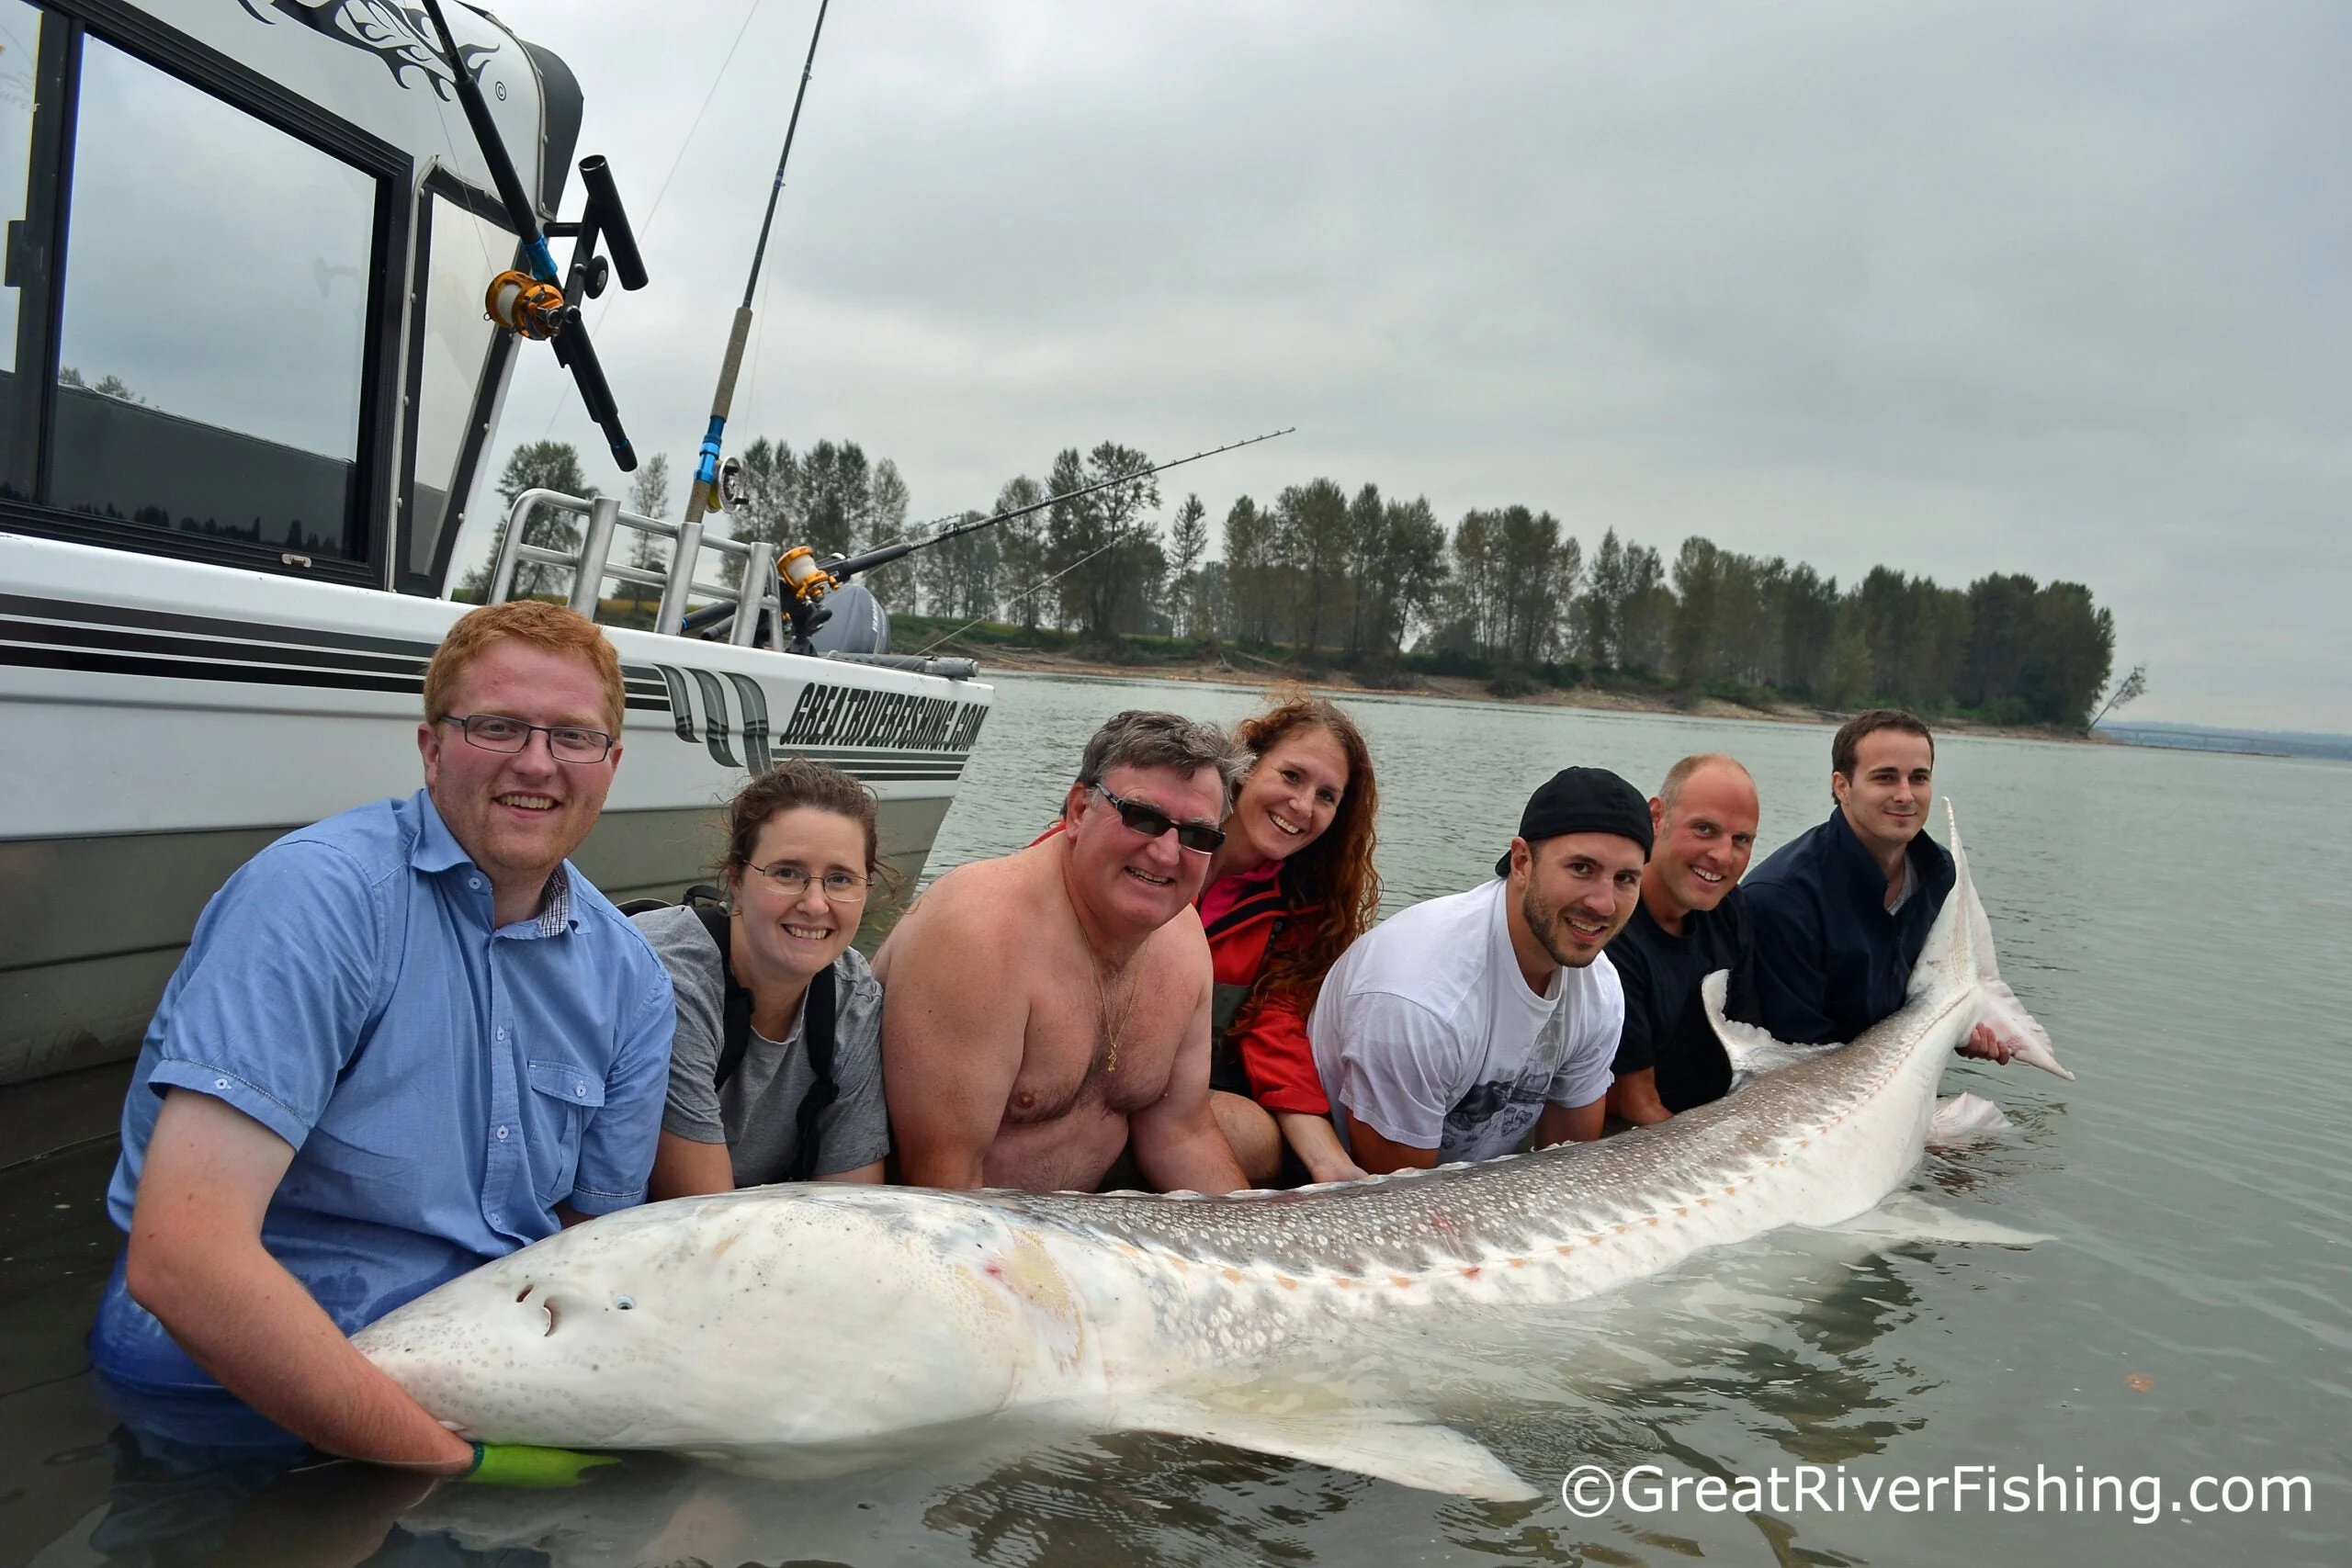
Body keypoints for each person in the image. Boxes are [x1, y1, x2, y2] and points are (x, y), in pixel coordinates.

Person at [88, 601, 672, 1478]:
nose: (537, 763)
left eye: (572, 737)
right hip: (229, 1412)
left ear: (611, 765)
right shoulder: (317, 904)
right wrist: (456, 1468)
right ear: (432, 746)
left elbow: (589, 1252)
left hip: (480, 1390)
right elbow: (183, 1262)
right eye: (498, 726)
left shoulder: (632, 980)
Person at [876, 710, 1250, 1196]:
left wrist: (1272, 1258)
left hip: (1077, 1227)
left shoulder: (1183, 936)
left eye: (1197, 836)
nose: (1165, 854)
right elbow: (942, 1185)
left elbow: (1181, 1133)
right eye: (1143, 819)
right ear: (1078, 811)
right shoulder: (978, 929)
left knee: (1253, 1136)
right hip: (951, 1229)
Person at [1309, 766, 1649, 1173]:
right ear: (1522, 862)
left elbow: (1566, 1168)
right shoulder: (1419, 998)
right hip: (1338, 1194)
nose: (1604, 904)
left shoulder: (1601, 988)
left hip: (1471, 1190)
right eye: (1581, 869)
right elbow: (1399, 1198)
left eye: (1625, 878)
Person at [631, 759, 892, 1195]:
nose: (814, 903)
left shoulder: (852, 998)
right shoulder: (670, 979)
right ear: (736, 880)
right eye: (787, 873)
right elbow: (704, 1215)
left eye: (841, 879)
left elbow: (853, 1207)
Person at [1745, 708, 2007, 1058]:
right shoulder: (1781, 899)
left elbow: (1937, 985)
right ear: (1842, 786)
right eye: (1885, 778)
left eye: (1919, 778)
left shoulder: (1939, 872)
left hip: (1899, 1073)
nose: (1905, 795)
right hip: (1815, 1086)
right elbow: (1794, 1050)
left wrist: (1961, 1029)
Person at [1196, 693, 1382, 1187]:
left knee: (1254, 1138)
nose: (1302, 807)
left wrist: (1328, 1161)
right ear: (1246, 766)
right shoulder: (1155, 841)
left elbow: (1272, 1026)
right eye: (1292, 776)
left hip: (1181, 1100)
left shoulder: (1300, 910)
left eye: (1327, 796)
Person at [1605, 754, 1760, 1126]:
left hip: (1711, 1117)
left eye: (1741, 839)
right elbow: (1635, 1105)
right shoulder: (1613, 932)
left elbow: (1752, 1049)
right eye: (1704, 829)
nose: (1723, 856)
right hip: (1637, 1138)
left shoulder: (1729, 908)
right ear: (1656, 817)